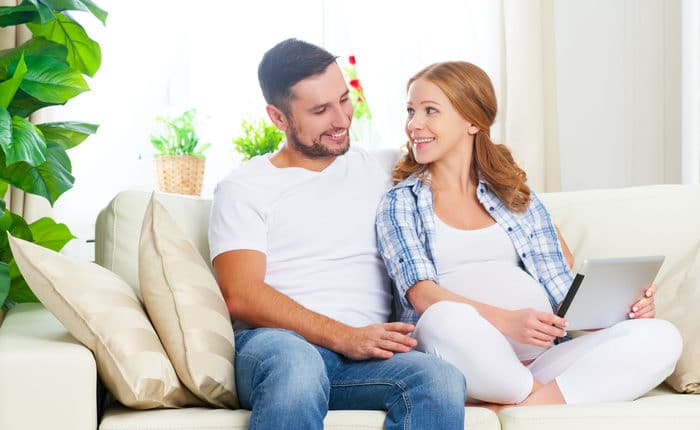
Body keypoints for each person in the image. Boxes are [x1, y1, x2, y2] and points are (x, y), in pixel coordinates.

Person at [375, 60, 683, 408]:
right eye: (411, 111)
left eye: (430, 111)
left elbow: (561, 296)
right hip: (460, 355)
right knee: (443, 318)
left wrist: (623, 311)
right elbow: (422, 296)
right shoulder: (401, 202)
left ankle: (528, 402)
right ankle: (534, 399)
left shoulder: (515, 196)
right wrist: (507, 321)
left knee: (661, 336)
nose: (414, 125)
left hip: (540, 361)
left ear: (472, 121)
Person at [208, 39, 466, 430]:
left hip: (364, 357)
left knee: (439, 378)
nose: (342, 119)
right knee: (299, 365)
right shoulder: (244, 187)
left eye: (343, 100)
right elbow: (240, 294)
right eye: (320, 110)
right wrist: (343, 336)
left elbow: (471, 168)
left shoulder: (384, 169)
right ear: (278, 117)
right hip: (277, 349)